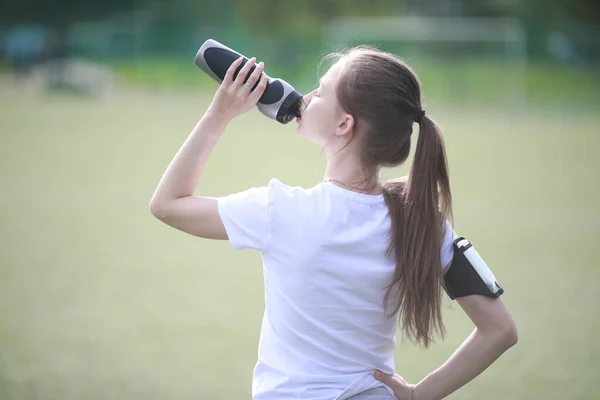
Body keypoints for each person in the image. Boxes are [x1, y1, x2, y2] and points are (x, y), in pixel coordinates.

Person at [150, 46, 518, 400]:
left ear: (344, 124)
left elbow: (168, 204)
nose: (306, 96)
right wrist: (420, 395)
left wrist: (219, 114)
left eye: (321, 92)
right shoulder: (422, 220)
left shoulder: (280, 211)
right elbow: (499, 330)